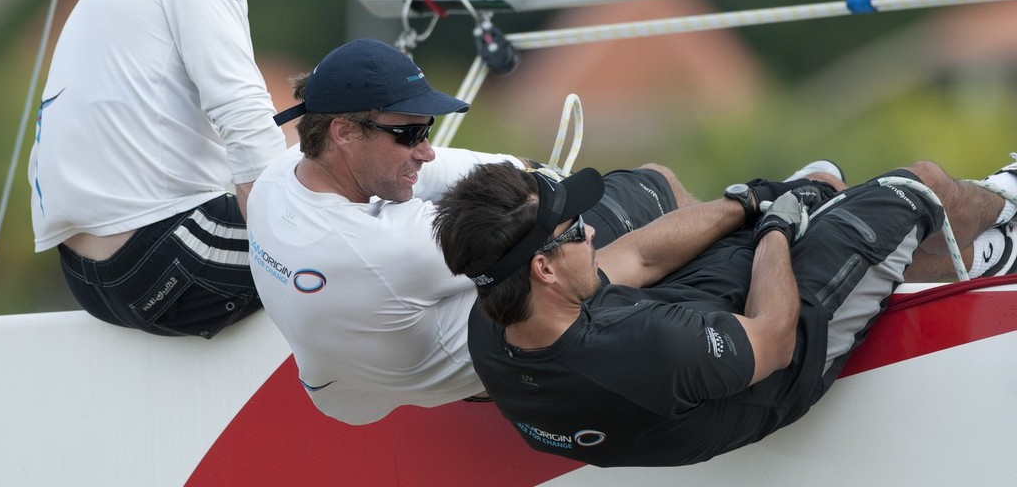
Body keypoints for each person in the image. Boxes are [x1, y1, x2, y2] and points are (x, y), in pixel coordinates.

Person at [245, 38, 836, 425]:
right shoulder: (389, 249)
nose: (425, 149)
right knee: (635, 198)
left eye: (428, 128)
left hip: (345, 394)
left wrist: (530, 176)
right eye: (408, 134)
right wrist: (750, 204)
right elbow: (522, 209)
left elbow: (477, 172)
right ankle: (768, 210)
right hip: (502, 361)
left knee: (539, 239)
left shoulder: (279, 175)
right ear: (345, 132)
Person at [431, 156, 1016, 467]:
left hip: (667, 359)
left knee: (800, 187)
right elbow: (775, 337)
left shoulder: (495, 319)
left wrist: (750, 202)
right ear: (544, 267)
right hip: (775, 370)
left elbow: (636, 257)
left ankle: (812, 197)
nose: (590, 234)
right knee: (919, 184)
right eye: (577, 230)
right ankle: (1000, 227)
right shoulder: (644, 346)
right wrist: (778, 230)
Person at [27, 0, 310, 338]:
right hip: (158, 257)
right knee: (379, 236)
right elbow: (246, 118)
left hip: (90, 278)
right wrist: (304, 236)